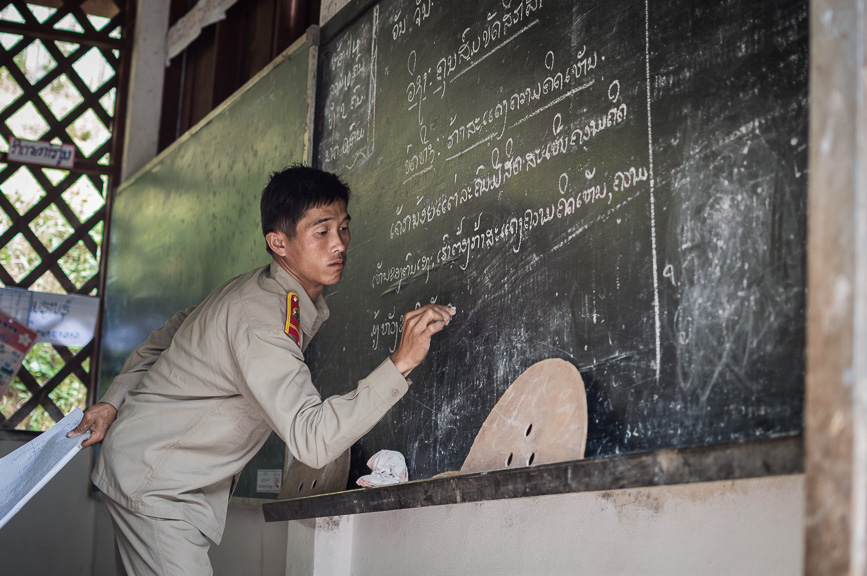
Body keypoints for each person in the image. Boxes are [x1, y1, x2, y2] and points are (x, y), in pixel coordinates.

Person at [68, 165, 455, 575]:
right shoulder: (261, 319)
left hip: (154, 470)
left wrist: (113, 402)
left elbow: (166, 336)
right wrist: (402, 362)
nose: (338, 245)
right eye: (321, 232)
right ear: (278, 242)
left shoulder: (259, 291)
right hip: (159, 486)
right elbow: (312, 440)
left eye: (343, 228)